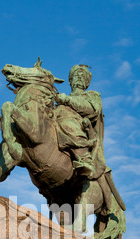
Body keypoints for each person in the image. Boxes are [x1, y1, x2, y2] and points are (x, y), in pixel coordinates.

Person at [55, 64, 112, 212]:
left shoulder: (92, 95)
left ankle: (85, 160)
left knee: (68, 123)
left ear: (87, 82)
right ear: (70, 80)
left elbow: (92, 110)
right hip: (60, 134)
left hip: (82, 133)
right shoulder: (60, 100)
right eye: (76, 75)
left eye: (83, 76)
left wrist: (67, 101)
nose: (79, 78)